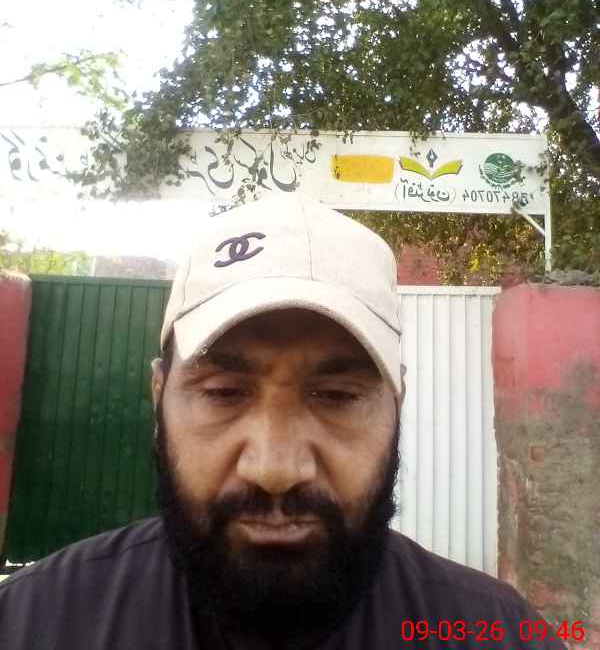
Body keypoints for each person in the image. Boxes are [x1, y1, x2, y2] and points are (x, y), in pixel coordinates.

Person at [0, 193, 566, 650]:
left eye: (337, 396)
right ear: (158, 398)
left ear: (398, 403)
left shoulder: (499, 634)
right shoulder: (31, 622)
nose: (274, 470)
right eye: (223, 393)